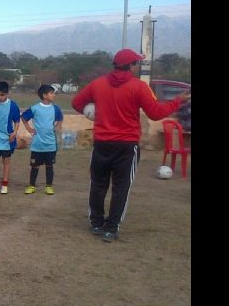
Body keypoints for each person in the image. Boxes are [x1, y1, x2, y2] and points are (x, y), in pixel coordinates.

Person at [71, 48, 191, 243]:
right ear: (131, 66)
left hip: (102, 142)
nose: (137, 66)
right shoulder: (138, 86)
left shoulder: (98, 83)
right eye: (136, 63)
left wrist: (90, 110)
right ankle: (111, 228)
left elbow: (77, 102)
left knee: (98, 184)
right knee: (121, 187)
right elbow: (156, 113)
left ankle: (96, 223)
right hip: (126, 145)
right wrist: (178, 101)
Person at [21, 84, 63, 195]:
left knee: (50, 166)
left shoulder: (55, 108)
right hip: (37, 144)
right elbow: (24, 117)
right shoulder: (35, 108)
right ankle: (31, 186)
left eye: (54, 93)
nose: (54, 95)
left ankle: (49, 186)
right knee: (35, 166)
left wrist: (58, 127)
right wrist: (29, 128)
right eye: (51, 93)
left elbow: (60, 118)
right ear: (44, 95)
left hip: (50, 144)